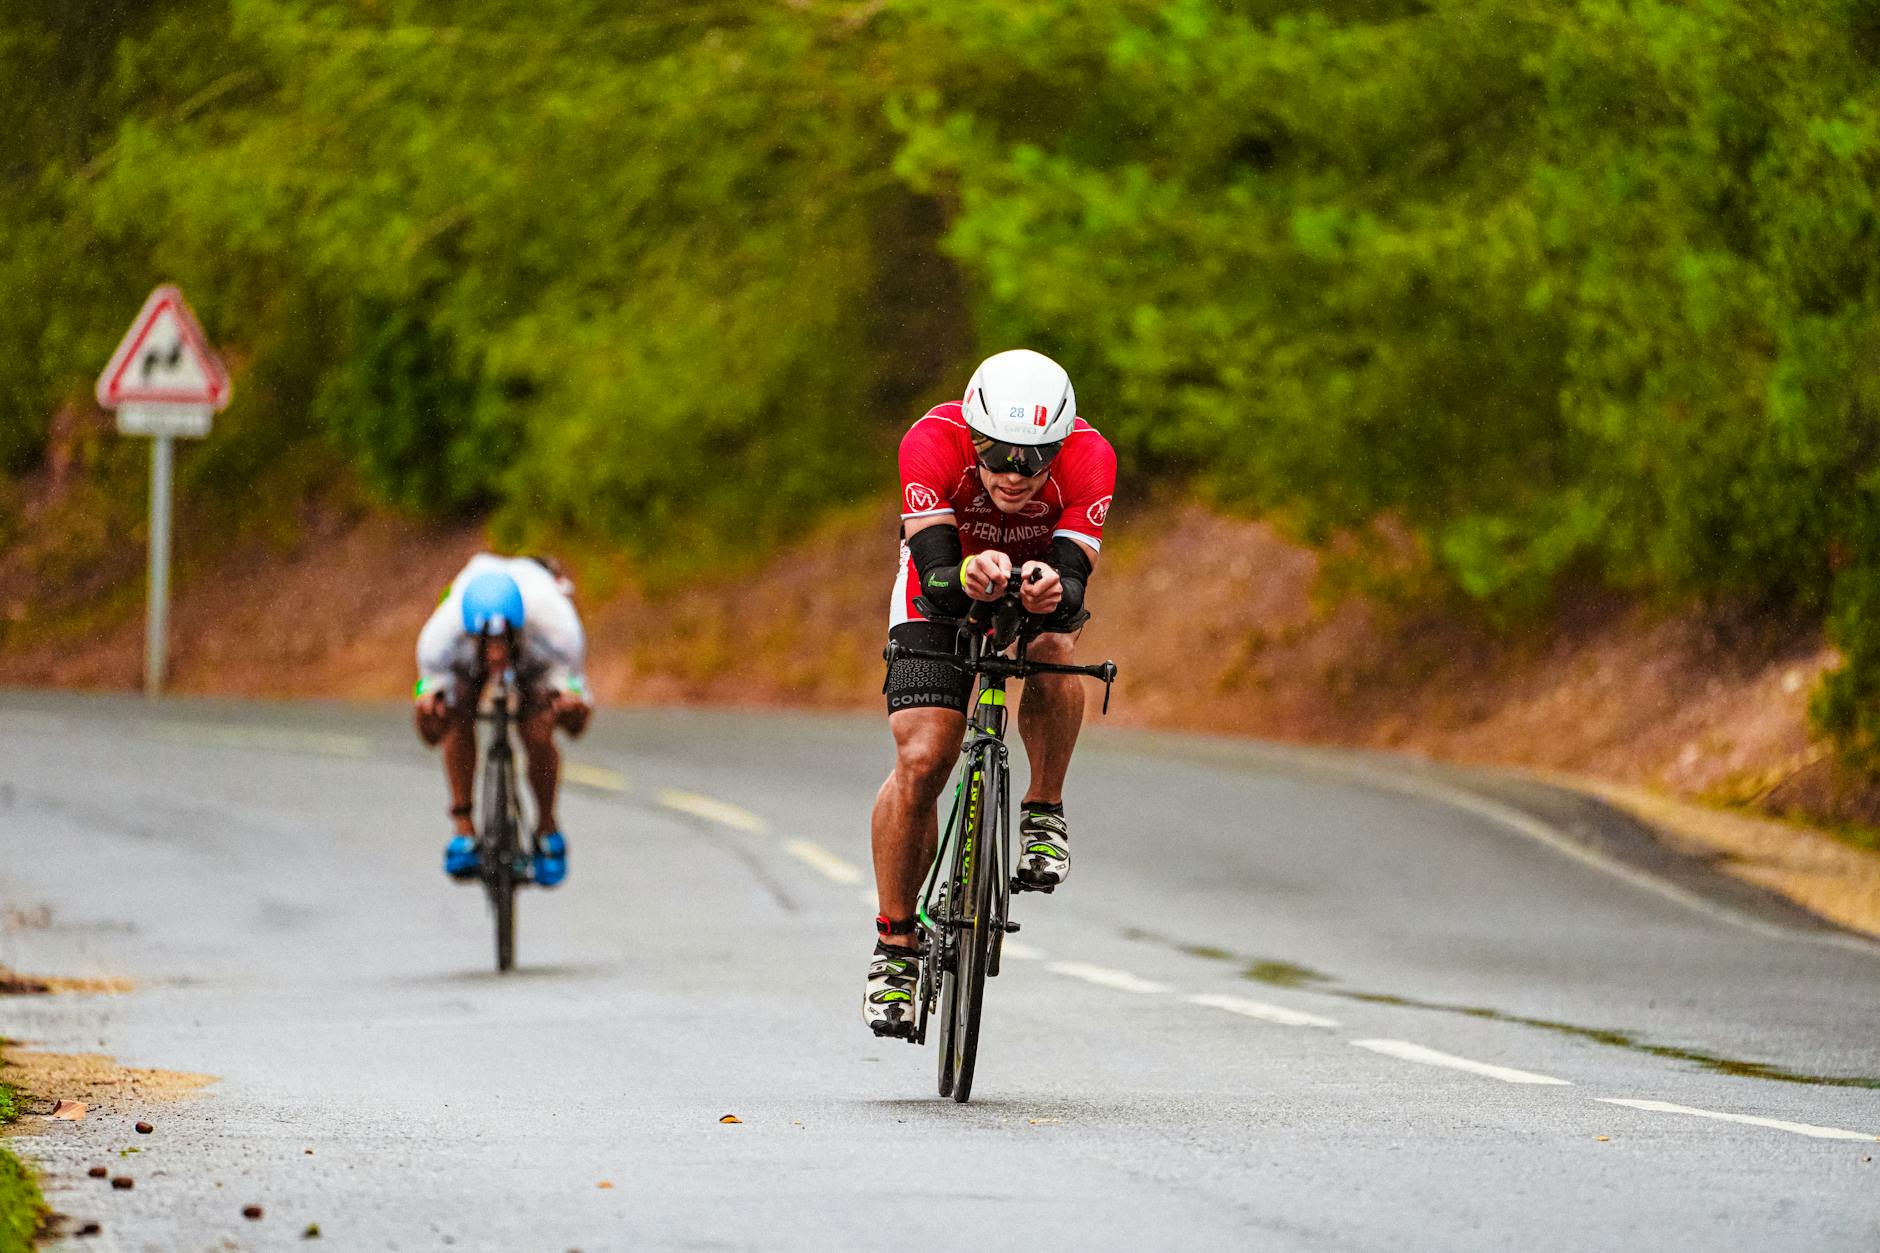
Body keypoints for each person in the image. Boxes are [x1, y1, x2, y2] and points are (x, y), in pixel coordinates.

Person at [865, 349, 1117, 1037]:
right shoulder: (930, 440)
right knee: (923, 756)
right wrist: (971, 569)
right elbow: (936, 573)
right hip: (944, 581)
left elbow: (1072, 587)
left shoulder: (1093, 457)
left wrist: (1048, 588)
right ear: (972, 437)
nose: (1014, 473)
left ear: (1059, 448)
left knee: (1054, 645)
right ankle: (895, 946)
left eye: (1034, 459)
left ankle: (1043, 809)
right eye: (999, 455)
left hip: (1032, 581)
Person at [413, 554, 592, 887]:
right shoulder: (438, 640)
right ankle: (463, 829)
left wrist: (567, 710)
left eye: (503, 642)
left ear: (518, 629)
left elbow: (577, 728)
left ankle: (547, 828)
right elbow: (430, 736)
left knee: (538, 728)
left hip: (535, 655)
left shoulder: (559, 631)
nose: (496, 655)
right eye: (487, 644)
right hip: (468, 653)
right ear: (469, 635)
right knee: (455, 712)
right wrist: (431, 713)